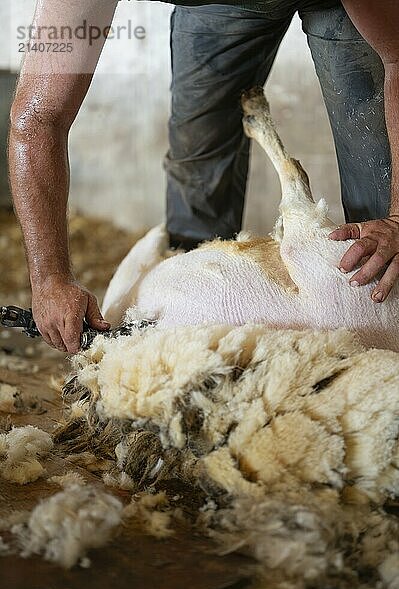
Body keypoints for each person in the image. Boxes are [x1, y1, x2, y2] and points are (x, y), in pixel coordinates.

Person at [8, 0, 399, 354]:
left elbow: (397, 60)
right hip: (216, 7)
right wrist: (50, 278)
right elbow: (38, 118)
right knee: (199, 169)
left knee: (380, 213)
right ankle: (189, 331)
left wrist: (396, 217)